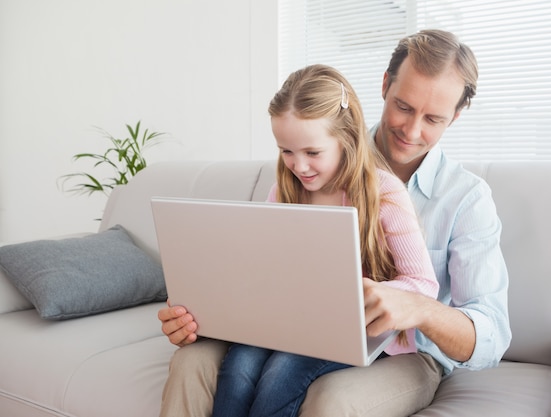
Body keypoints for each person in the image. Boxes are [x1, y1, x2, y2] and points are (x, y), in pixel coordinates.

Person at [158, 29, 512, 416]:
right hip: (297, 327)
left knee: (327, 396)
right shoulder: (311, 159)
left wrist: (417, 307)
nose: (412, 131)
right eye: (404, 107)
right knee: (192, 362)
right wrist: (205, 314)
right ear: (384, 86)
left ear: (457, 115)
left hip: (403, 353)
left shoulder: (465, 198)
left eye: (433, 118)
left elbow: (491, 332)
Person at [209, 64, 438, 417]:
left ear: (346, 140)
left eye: (312, 153)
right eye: (286, 151)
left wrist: (372, 296)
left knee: (280, 375)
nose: (298, 166)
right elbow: (266, 268)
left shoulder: (384, 193)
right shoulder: (282, 191)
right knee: (237, 369)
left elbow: (423, 284)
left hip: (351, 331)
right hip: (290, 319)